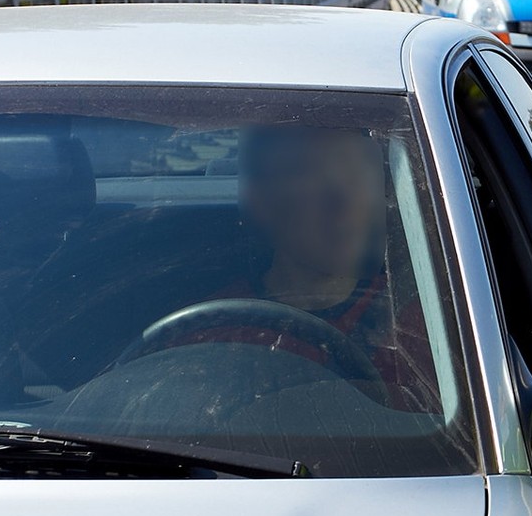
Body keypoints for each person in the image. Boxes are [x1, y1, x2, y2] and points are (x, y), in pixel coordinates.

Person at [171, 124, 437, 412]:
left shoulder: (422, 330)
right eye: (311, 178)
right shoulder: (210, 334)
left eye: (356, 175)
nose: (345, 204)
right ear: (261, 204)